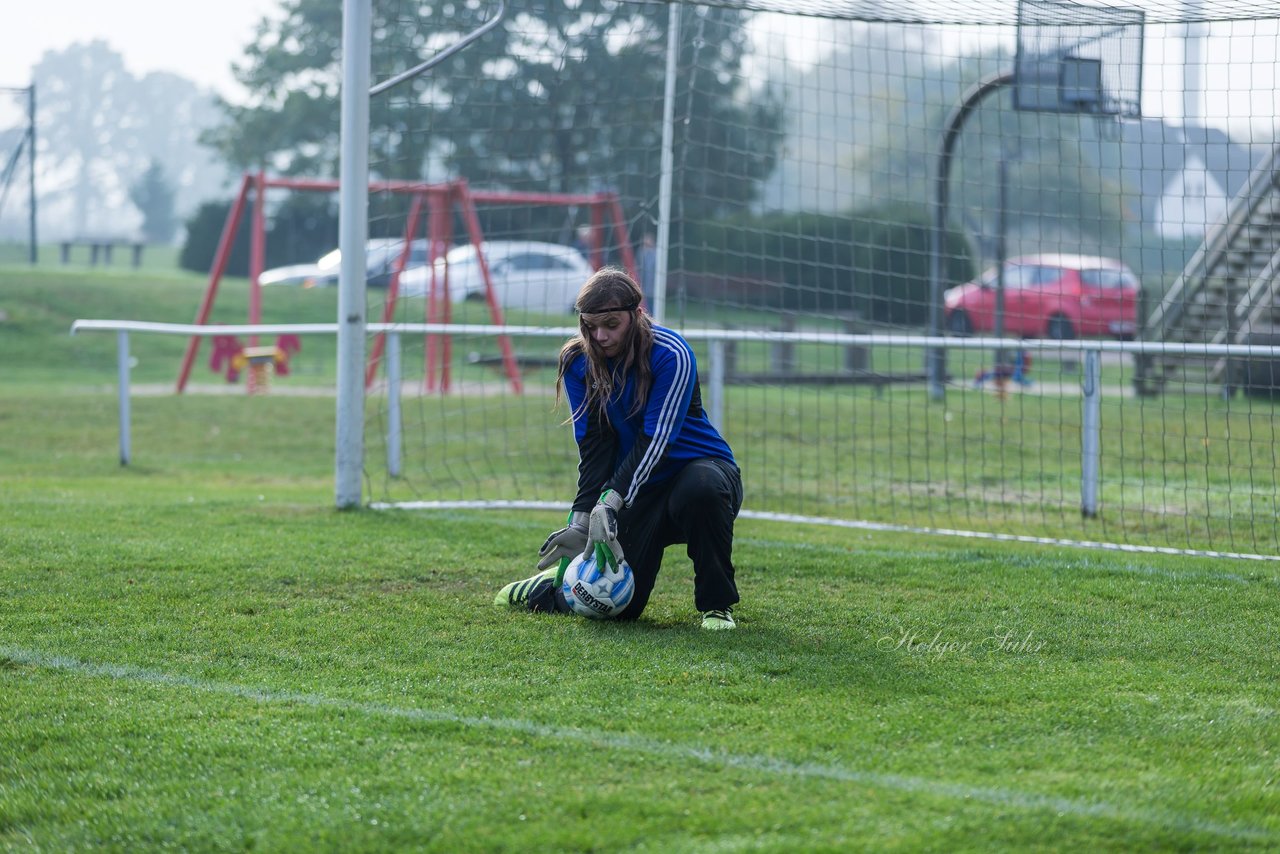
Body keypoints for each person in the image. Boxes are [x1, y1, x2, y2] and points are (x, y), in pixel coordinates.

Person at [494, 267, 744, 629]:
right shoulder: (577, 360)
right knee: (614, 608)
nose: (601, 336)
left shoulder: (671, 353)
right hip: (636, 490)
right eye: (591, 325)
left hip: (701, 473)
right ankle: (549, 587)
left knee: (700, 489)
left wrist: (609, 502)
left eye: (611, 324)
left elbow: (657, 440)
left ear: (636, 315)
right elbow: (595, 445)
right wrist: (582, 517)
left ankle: (716, 605)